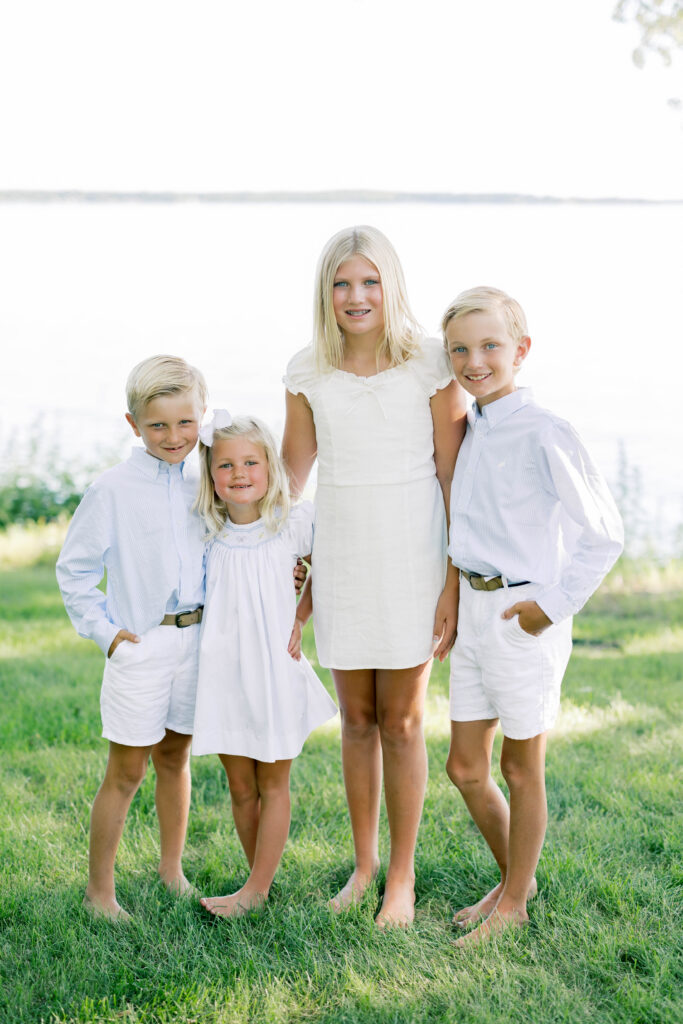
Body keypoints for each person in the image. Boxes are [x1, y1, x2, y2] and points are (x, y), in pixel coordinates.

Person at [282, 225, 467, 927]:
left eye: (368, 281)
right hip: (343, 559)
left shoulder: (428, 362)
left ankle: (401, 877)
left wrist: (452, 576)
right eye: (340, 283)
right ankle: (362, 869)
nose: (355, 296)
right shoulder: (307, 370)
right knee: (355, 720)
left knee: (404, 720)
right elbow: (293, 481)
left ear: (390, 285)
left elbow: (453, 475)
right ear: (324, 293)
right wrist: (289, 575)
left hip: (414, 559)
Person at [440, 286, 624, 946]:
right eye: (459, 349)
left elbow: (602, 534)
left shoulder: (545, 431)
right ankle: (514, 878)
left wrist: (545, 609)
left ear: (520, 350)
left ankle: (513, 903)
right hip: (473, 610)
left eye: (490, 346)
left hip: (523, 615)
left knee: (520, 768)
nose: (474, 360)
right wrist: (453, 600)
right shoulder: (471, 428)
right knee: (464, 766)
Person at [56, 355, 209, 921]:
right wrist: (108, 635)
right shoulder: (113, 490)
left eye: (186, 423)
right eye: (158, 426)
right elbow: (73, 570)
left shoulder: (208, 477)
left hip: (196, 641)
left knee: (176, 757)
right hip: (140, 645)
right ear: (133, 425)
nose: (174, 437)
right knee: (126, 770)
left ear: (202, 416)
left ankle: (171, 869)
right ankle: (100, 892)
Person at [192, 411, 337, 918]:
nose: (239, 473)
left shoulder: (292, 524)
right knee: (239, 785)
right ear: (211, 476)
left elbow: (329, 564)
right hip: (223, 675)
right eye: (226, 464)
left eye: (251, 461)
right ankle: (259, 882)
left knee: (273, 782)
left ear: (271, 466)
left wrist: (300, 615)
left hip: (273, 671)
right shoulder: (207, 533)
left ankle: (254, 890)